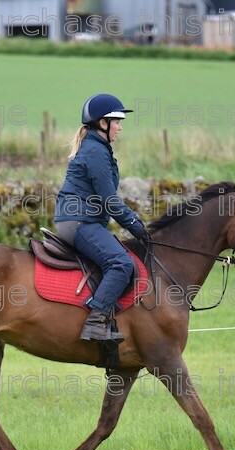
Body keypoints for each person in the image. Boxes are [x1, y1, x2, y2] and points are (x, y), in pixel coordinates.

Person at [53, 93, 150, 343]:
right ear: (102, 124)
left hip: (82, 221)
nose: (120, 126)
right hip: (79, 222)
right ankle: (95, 322)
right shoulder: (96, 151)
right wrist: (135, 226)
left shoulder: (98, 147)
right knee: (121, 263)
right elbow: (109, 199)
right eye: (116, 121)